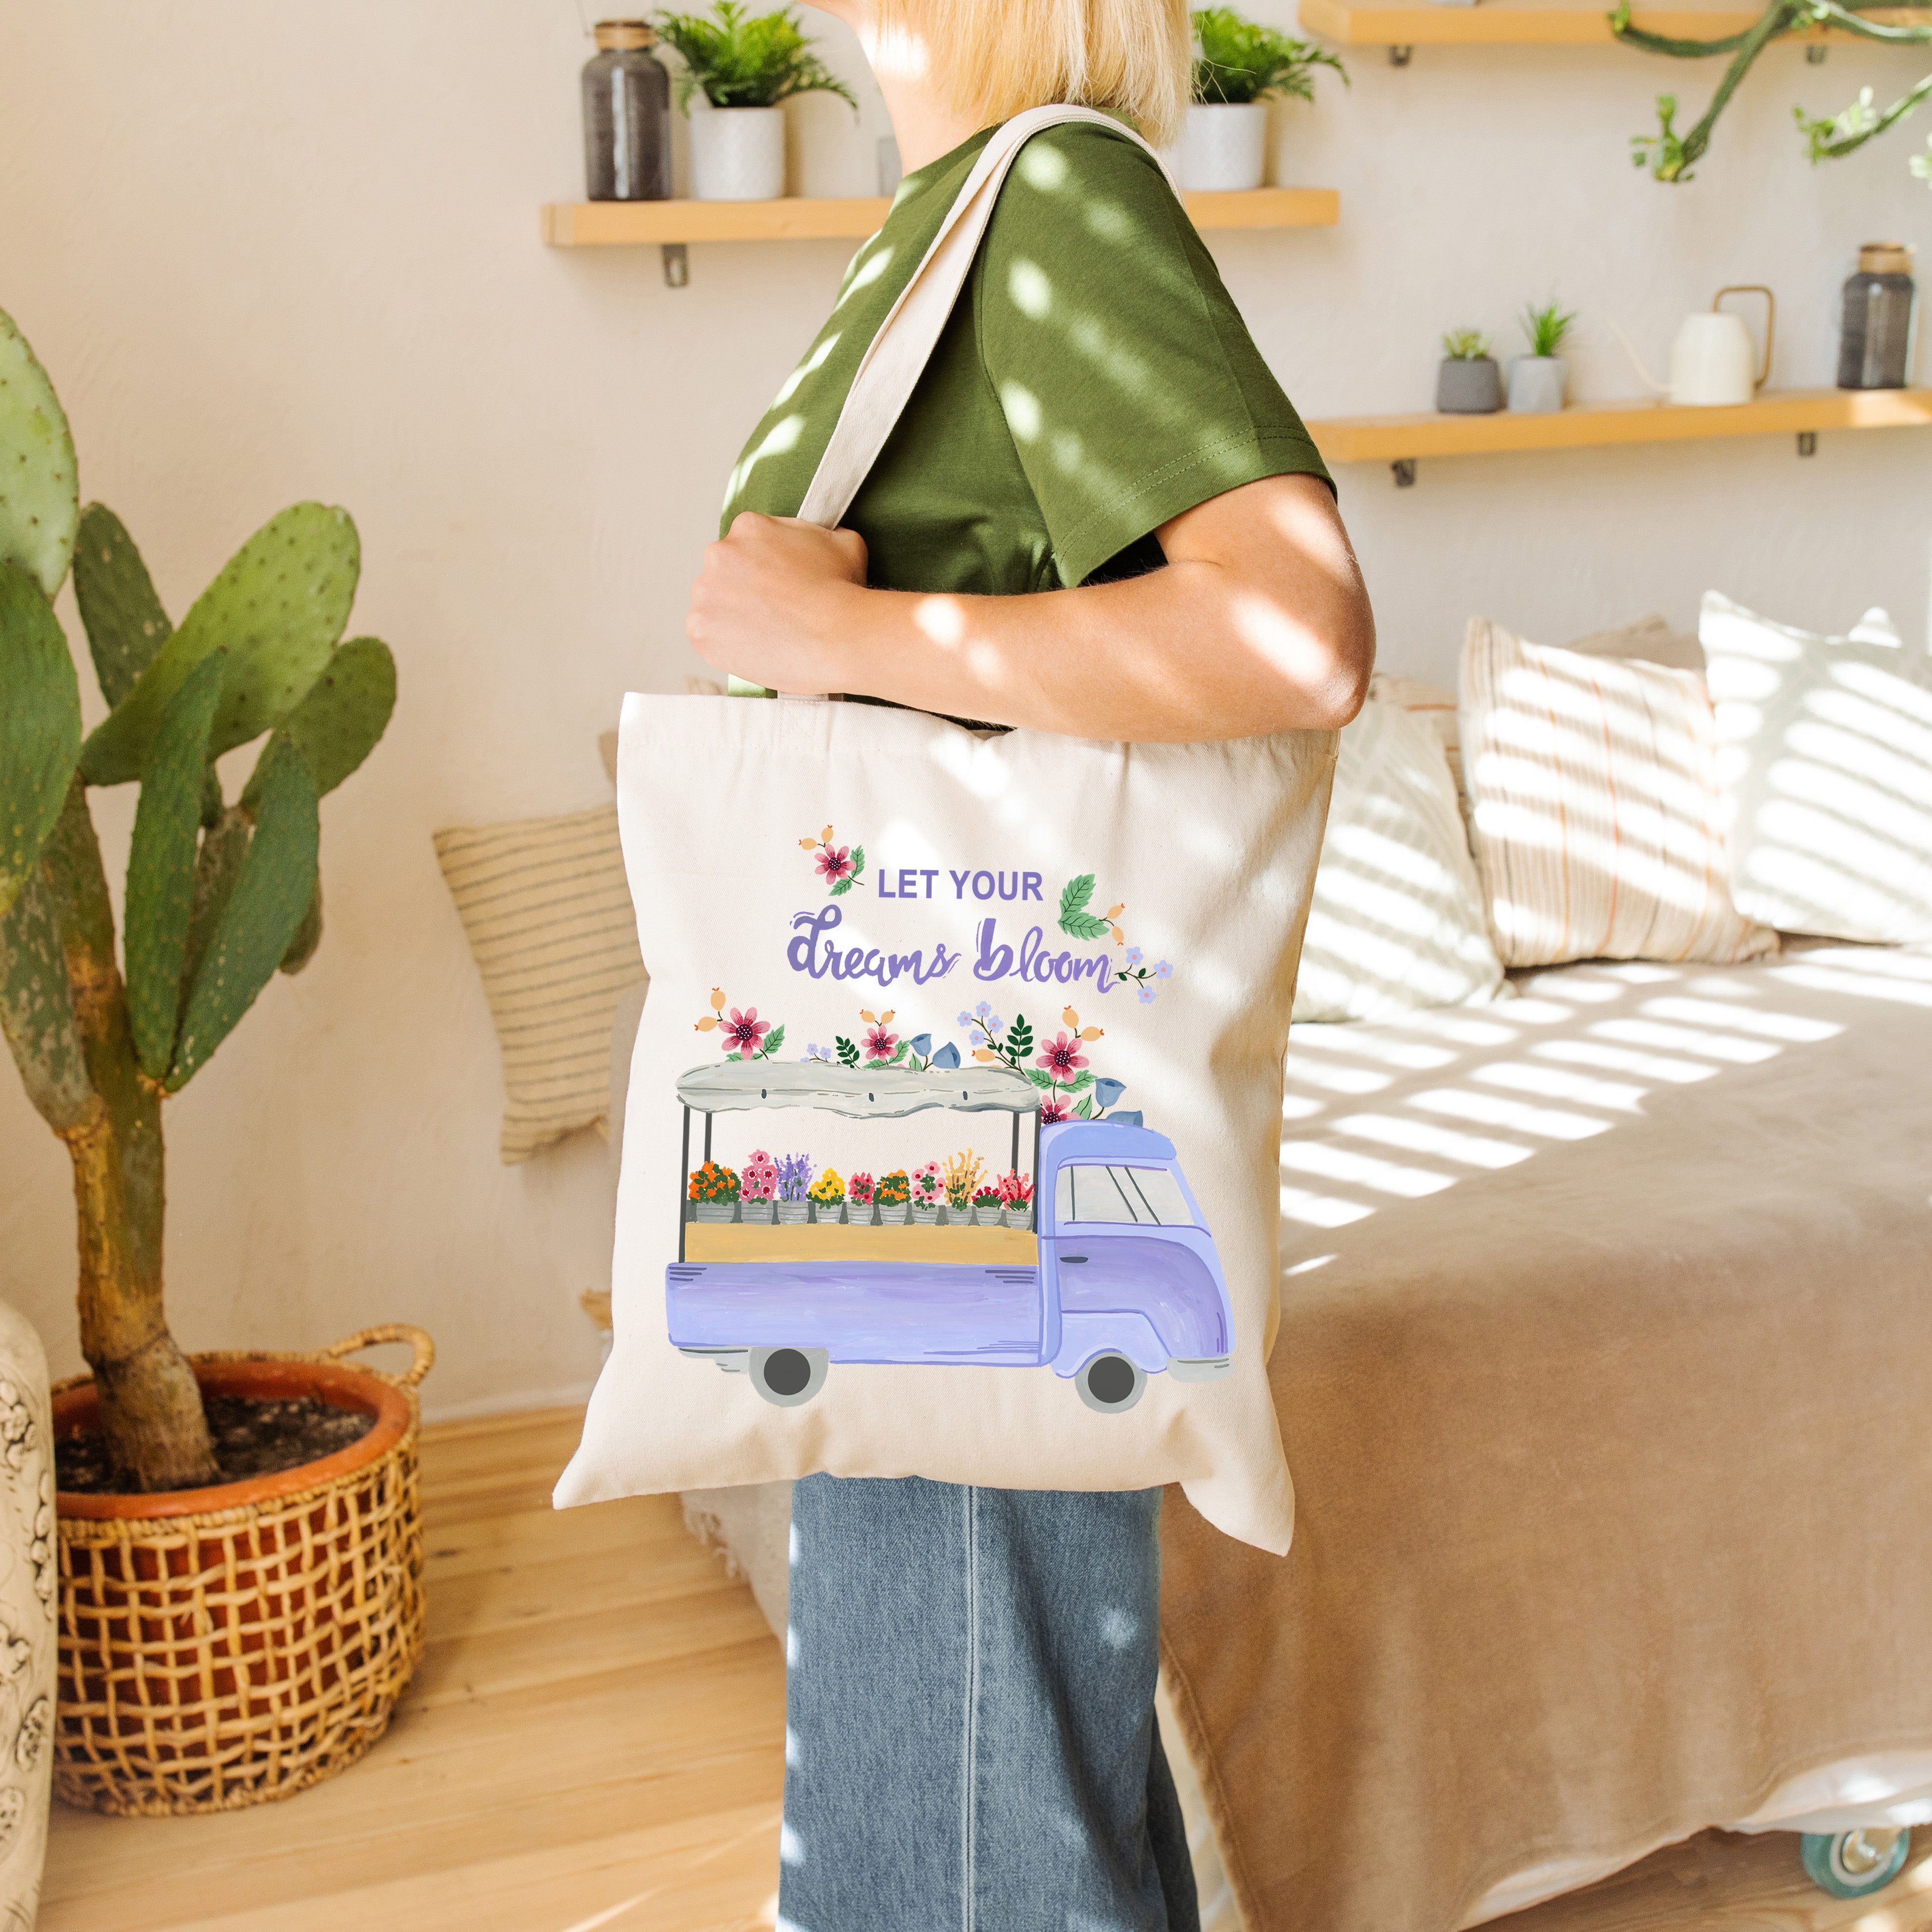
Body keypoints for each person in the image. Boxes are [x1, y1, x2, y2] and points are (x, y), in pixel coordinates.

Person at [685, 0, 1376, 1920]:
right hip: (896, 1135)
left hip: (975, 1149)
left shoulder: (1057, 191)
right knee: (985, 1794)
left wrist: (841, 637)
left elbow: (1298, 629)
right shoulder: (949, 214)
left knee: (968, 1824)